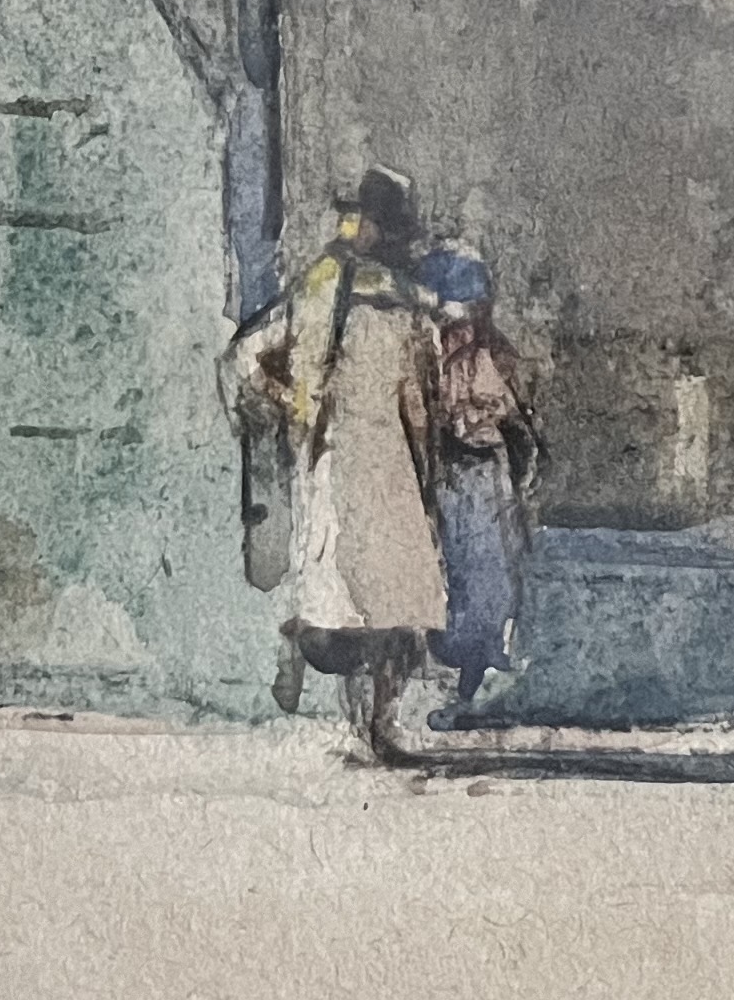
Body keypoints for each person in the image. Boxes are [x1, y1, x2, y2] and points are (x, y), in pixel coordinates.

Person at [227, 165, 446, 763]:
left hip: (381, 460)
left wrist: (423, 460)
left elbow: (417, 393)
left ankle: (377, 724)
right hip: (342, 457)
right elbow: (249, 357)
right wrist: (298, 403)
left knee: (395, 605)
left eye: (370, 220)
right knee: (355, 603)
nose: (361, 229)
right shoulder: (328, 285)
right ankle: (360, 719)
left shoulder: (402, 297)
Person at [412, 241, 533, 724]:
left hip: (483, 473)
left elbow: (514, 416)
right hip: (445, 472)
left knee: (487, 575)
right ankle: (452, 677)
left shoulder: (492, 355)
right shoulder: (426, 352)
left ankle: (475, 680)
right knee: (449, 575)